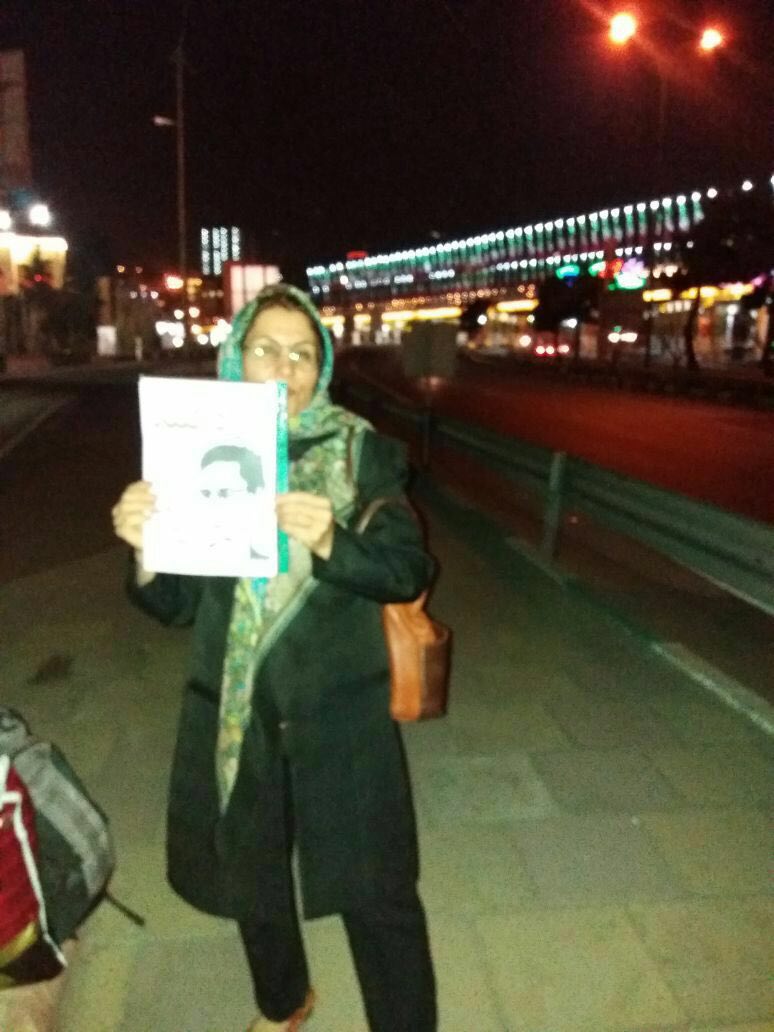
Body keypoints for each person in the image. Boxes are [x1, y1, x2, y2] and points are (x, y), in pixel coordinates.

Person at [111, 283, 438, 1032]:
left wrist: (330, 541)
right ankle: (286, 1002)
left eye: (302, 354)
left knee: (378, 892)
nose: (284, 369)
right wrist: (146, 552)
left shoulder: (360, 450)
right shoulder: (196, 448)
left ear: (321, 367)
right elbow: (176, 606)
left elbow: (406, 570)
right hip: (236, 711)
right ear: (236, 358)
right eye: (265, 350)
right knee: (252, 877)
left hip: (341, 712)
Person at [198, 444, 271, 560]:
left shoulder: (270, 567)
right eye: (206, 494)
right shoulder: (185, 565)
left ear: (255, 496)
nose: (212, 505)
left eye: (225, 493)